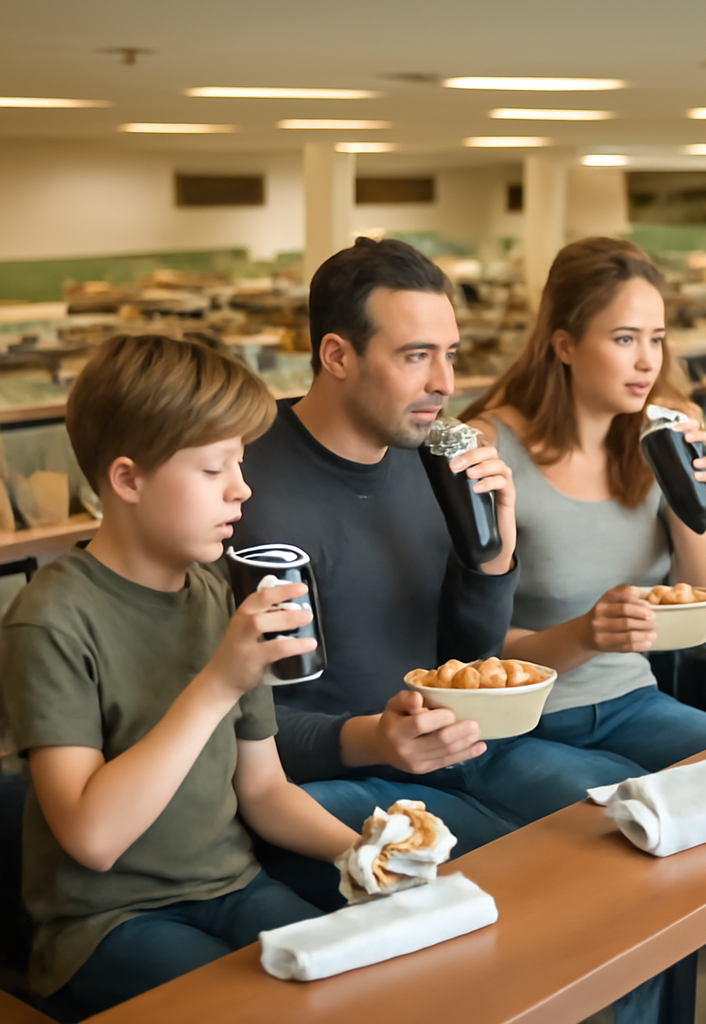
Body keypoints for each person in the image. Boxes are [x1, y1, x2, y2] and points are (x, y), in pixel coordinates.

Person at [461, 237, 706, 1024]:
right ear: (563, 344)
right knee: (640, 845)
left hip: (631, 702)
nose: (646, 362)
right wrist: (585, 633)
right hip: (519, 726)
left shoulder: (659, 431)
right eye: (624, 339)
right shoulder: (491, 450)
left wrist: (692, 499)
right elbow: (467, 650)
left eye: (657, 339)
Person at [233, 238, 646, 908]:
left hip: (459, 743)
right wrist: (372, 740)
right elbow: (242, 721)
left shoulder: (438, 450)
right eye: (415, 356)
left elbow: (469, 658)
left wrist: (493, 558)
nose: (445, 385)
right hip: (325, 777)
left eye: (449, 355)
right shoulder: (243, 485)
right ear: (337, 356)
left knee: (633, 840)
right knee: (526, 894)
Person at [0, 334, 358, 1021]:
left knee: (357, 983)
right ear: (128, 480)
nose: (242, 488)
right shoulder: (49, 620)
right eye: (213, 468)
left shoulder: (221, 594)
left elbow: (264, 790)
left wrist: (366, 851)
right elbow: (93, 840)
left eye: (242, 463)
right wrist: (220, 681)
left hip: (233, 885)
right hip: (105, 925)